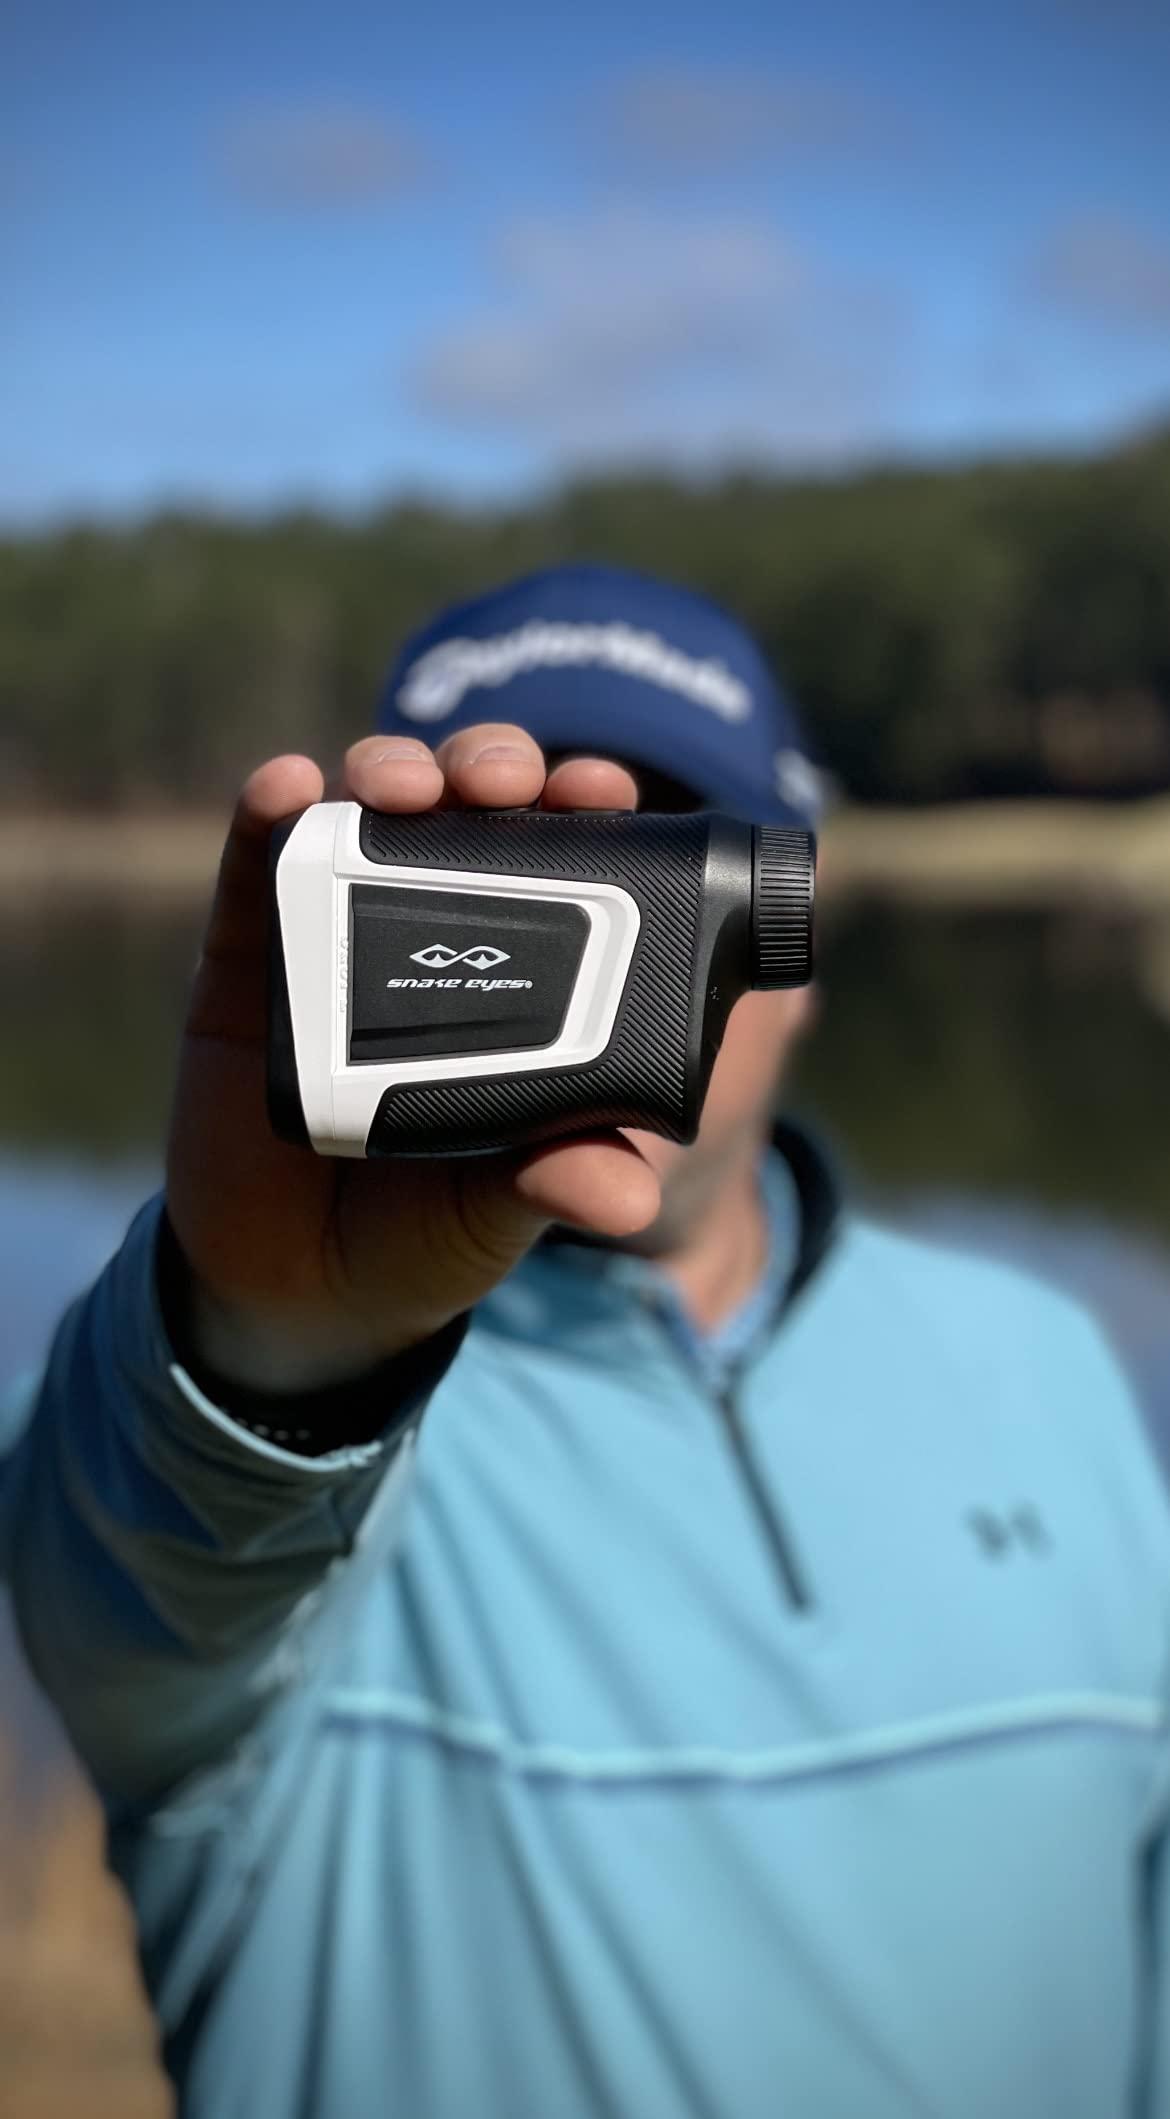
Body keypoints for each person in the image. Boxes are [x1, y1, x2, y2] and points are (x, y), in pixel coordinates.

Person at [2, 563, 1169, 2119]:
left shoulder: (1042, 1364)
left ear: (789, 939)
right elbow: (141, 1588)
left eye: (666, 870)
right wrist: (268, 1357)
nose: (596, 951)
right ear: (359, 923)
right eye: (510, 878)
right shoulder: (209, 1432)